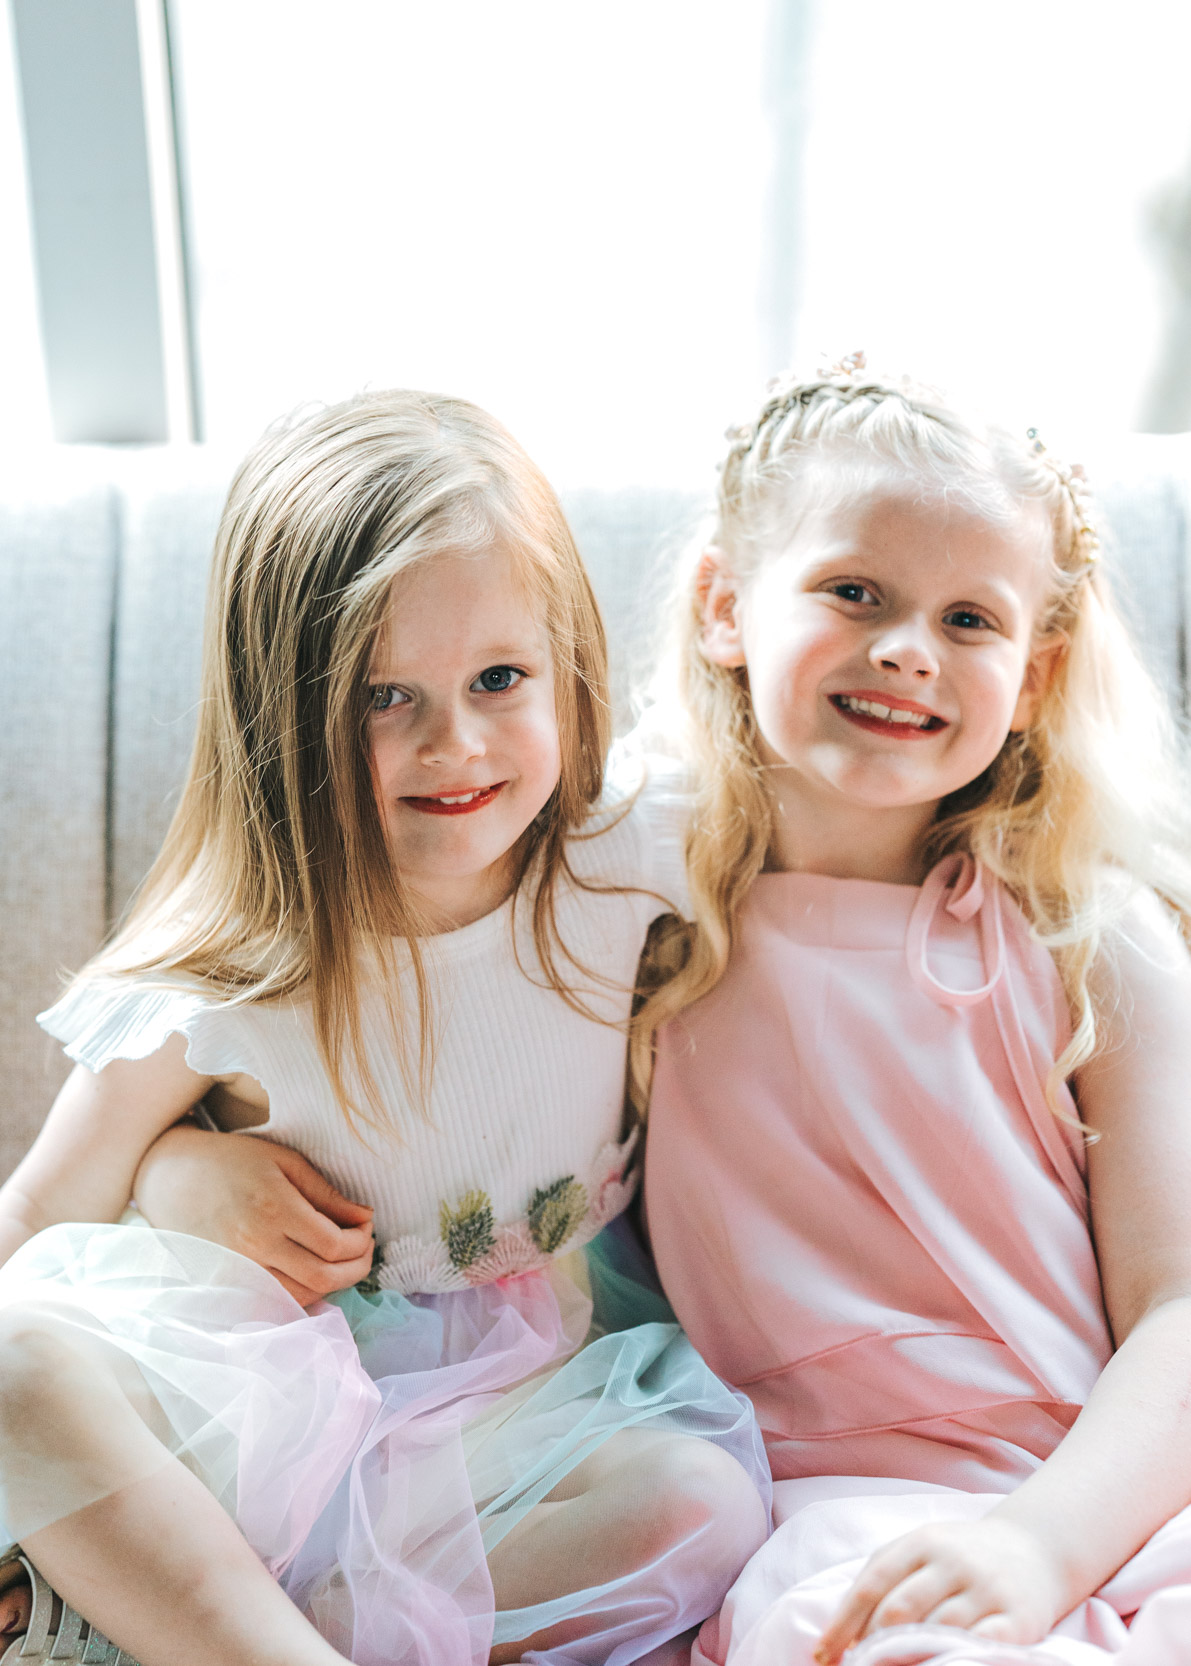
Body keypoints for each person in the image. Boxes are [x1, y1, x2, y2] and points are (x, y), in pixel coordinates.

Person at [0, 391, 770, 1666]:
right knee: (14, 1364)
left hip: (519, 1411)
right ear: (282, 716)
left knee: (705, 1506)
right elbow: (32, 1222)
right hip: (257, 1409)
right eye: (381, 697)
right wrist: (167, 1165)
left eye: (500, 679)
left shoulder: (629, 853)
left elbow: (845, 811)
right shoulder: (231, 968)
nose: (453, 741)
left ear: (568, 667)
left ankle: (229, 1635)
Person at [640, 362, 1191, 1664]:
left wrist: (1041, 1545)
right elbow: (383, 1063)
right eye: (853, 593)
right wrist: (198, 1158)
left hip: (1108, 1488)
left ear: (1035, 673)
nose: (906, 649)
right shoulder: (635, 917)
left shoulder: (1085, 936)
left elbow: (1178, 1306)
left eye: (967, 619)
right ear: (725, 604)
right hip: (847, 1513)